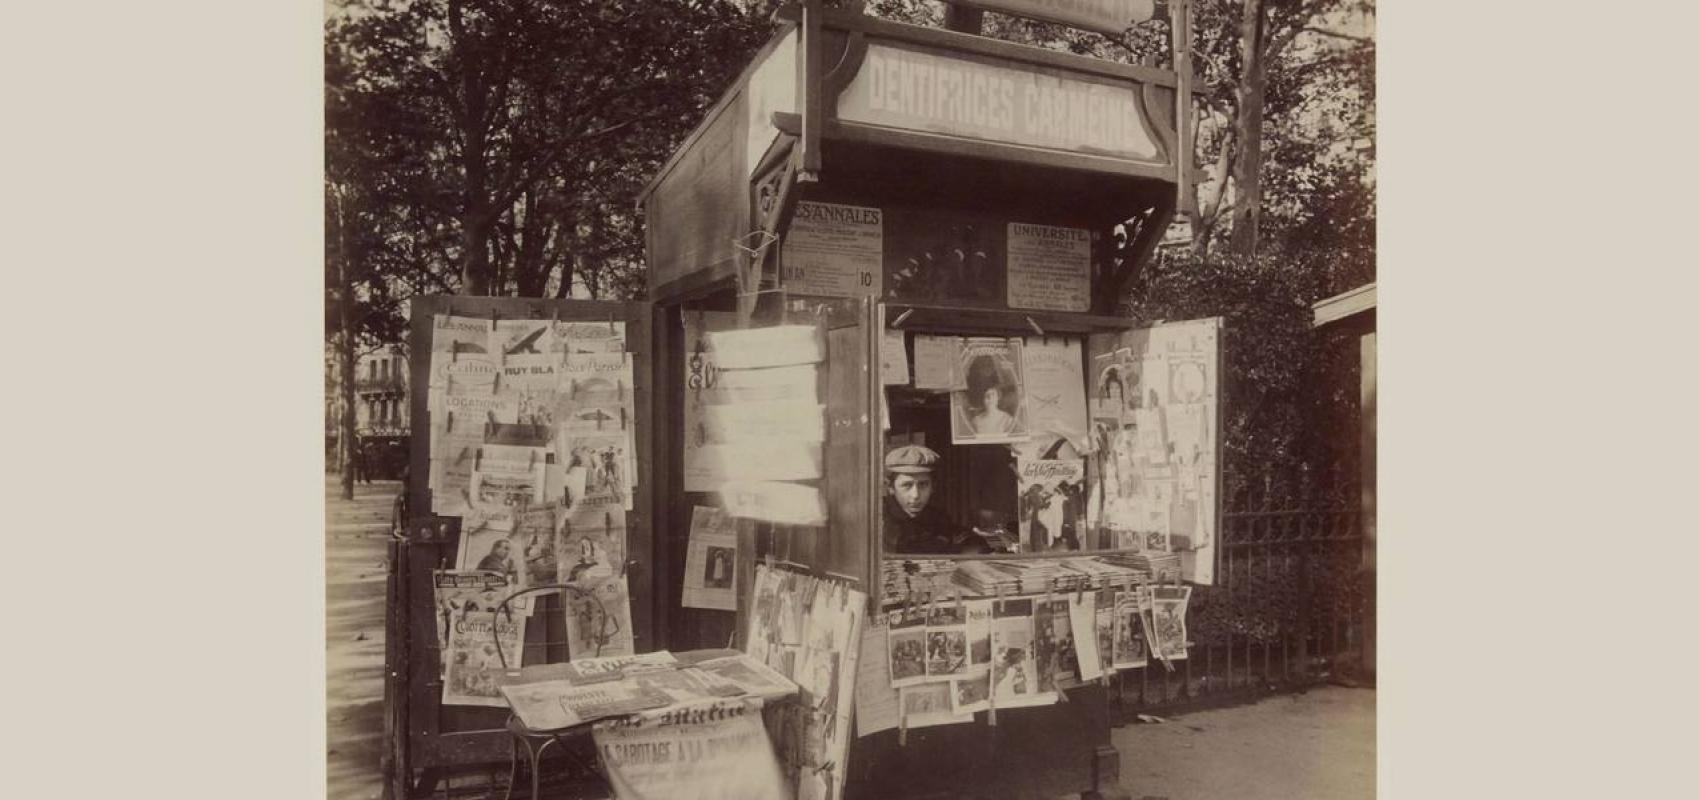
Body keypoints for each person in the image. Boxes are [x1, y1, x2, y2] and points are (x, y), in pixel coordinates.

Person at [882, 445, 987, 555]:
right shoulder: (877, 519)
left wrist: (974, 544)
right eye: (907, 485)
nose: (915, 495)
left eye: (923, 485)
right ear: (890, 487)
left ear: (933, 487)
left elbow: (963, 537)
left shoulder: (935, 517)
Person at [959, 355, 1021, 437]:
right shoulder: (976, 421)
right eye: (983, 366)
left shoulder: (1007, 420)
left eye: (988, 365)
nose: (987, 369)